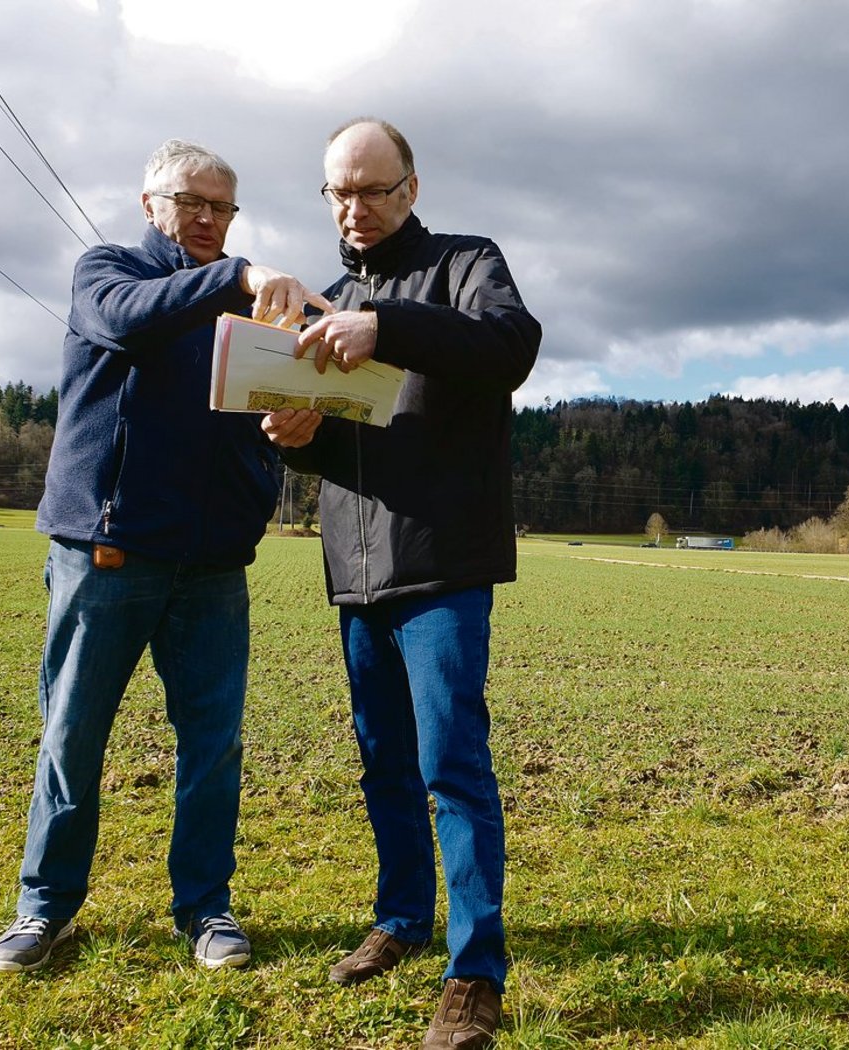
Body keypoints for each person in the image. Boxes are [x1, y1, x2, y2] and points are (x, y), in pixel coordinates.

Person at [0, 139, 330, 974]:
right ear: (151, 205)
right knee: (73, 736)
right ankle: (44, 909)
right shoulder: (107, 272)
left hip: (213, 567)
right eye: (193, 203)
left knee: (212, 745)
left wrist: (288, 431)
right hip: (108, 554)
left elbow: (264, 419)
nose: (209, 221)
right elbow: (126, 320)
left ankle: (205, 909)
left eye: (224, 208)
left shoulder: (245, 320)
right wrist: (241, 274)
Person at [265, 118, 540, 1049]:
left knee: (451, 766)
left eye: (374, 190)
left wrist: (384, 325)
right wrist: (301, 435)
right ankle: (399, 917)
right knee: (383, 761)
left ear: (410, 190)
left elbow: (510, 346)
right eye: (339, 192)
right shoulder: (325, 300)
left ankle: (475, 973)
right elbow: (354, 434)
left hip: (444, 565)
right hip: (356, 573)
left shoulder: (467, 265)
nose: (355, 208)